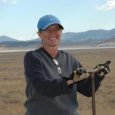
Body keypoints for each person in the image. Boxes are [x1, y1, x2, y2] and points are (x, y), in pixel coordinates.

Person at [24, 15, 110, 115]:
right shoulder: (33, 57)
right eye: (48, 29)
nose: (53, 33)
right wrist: (71, 80)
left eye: (57, 29)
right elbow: (44, 88)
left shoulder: (70, 59)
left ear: (61, 32)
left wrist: (98, 76)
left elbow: (87, 91)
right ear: (39, 34)